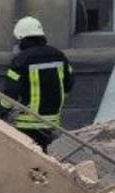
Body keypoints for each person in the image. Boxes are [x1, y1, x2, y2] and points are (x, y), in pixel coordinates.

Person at [4, 15, 72, 151]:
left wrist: (3, 110)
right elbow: (68, 84)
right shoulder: (59, 55)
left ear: (22, 39)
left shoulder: (21, 60)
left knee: (27, 156)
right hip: (52, 121)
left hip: (27, 122)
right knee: (44, 154)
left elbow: (10, 92)